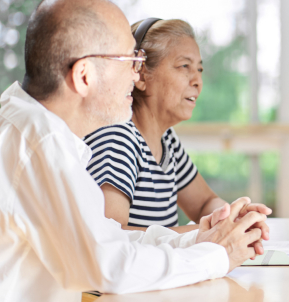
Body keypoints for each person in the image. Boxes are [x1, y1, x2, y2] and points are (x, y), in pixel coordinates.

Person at [0, 0, 268, 302]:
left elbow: (106, 238)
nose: (136, 76)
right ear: (84, 76)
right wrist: (216, 256)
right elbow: (110, 267)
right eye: (130, 61)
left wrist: (199, 239)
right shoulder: (42, 146)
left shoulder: (36, 135)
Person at [84, 18, 269, 233]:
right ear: (141, 74)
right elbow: (111, 237)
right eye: (184, 66)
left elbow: (204, 203)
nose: (197, 81)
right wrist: (206, 234)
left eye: (199, 69)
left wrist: (232, 219)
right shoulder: (117, 138)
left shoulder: (166, 139)